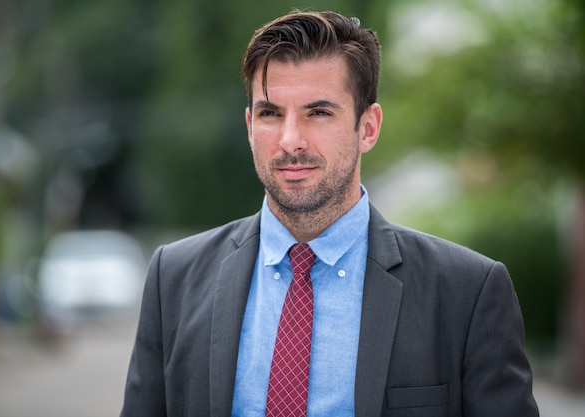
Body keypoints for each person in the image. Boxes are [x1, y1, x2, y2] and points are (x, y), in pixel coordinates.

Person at [120, 10, 539, 417]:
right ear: (249, 126)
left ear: (368, 128)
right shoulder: (173, 278)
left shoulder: (467, 292)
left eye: (318, 112)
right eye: (270, 113)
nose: (290, 141)